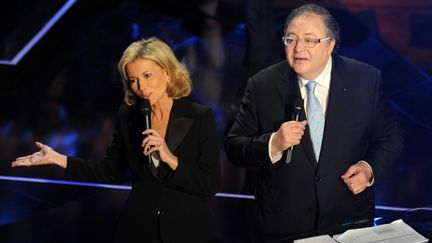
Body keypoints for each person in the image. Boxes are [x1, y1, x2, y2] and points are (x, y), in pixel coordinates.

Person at [11, 37, 221, 243]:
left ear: (167, 73)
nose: (141, 87)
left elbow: (208, 184)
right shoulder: (129, 116)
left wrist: (171, 158)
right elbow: (110, 171)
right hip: (139, 229)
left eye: (148, 75)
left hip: (189, 231)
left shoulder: (199, 116)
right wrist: (60, 159)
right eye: (133, 80)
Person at [224, 3, 403, 242]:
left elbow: (391, 137)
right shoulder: (262, 85)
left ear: (330, 45)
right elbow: (234, 146)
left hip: (349, 222)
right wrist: (273, 144)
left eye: (310, 40)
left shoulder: (366, 80)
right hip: (283, 226)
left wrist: (368, 168)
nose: (298, 48)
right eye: (291, 40)